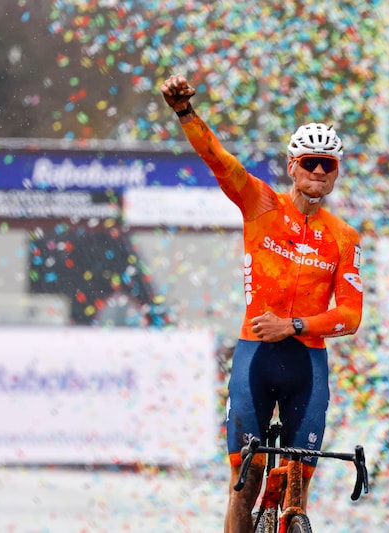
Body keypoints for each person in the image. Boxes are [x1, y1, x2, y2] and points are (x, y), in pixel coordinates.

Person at [160, 74, 364, 533]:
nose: (318, 171)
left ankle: (291, 517)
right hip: (255, 359)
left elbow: (351, 315)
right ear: (293, 166)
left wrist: (294, 325)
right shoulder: (261, 204)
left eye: (328, 165)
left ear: (336, 173)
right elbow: (219, 159)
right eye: (310, 162)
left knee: (297, 489)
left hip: (306, 365)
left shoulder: (344, 237)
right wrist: (185, 113)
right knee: (246, 482)